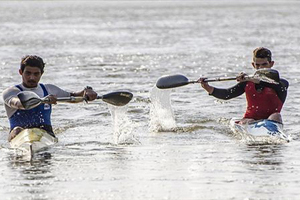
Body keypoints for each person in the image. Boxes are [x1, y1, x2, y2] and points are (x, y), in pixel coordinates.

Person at [2, 55, 98, 142]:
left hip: (45, 134)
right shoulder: (11, 92)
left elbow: (74, 96)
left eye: (36, 74)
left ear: (42, 73)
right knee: (17, 130)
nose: (31, 77)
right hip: (18, 135)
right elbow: (18, 104)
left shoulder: (49, 89)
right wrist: (44, 100)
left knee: (46, 131)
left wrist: (87, 91)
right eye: (28, 73)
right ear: (20, 72)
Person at [198, 47, 289, 124]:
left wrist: (250, 79)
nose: (261, 68)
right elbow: (227, 94)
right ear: (253, 65)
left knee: (276, 116)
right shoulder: (247, 83)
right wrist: (207, 87)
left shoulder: (281, 83)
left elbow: (270, 83)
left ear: (271, 64)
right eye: (257, 65)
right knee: (249, 121)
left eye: (264, 64)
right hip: (249, 121)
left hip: (271, 121)